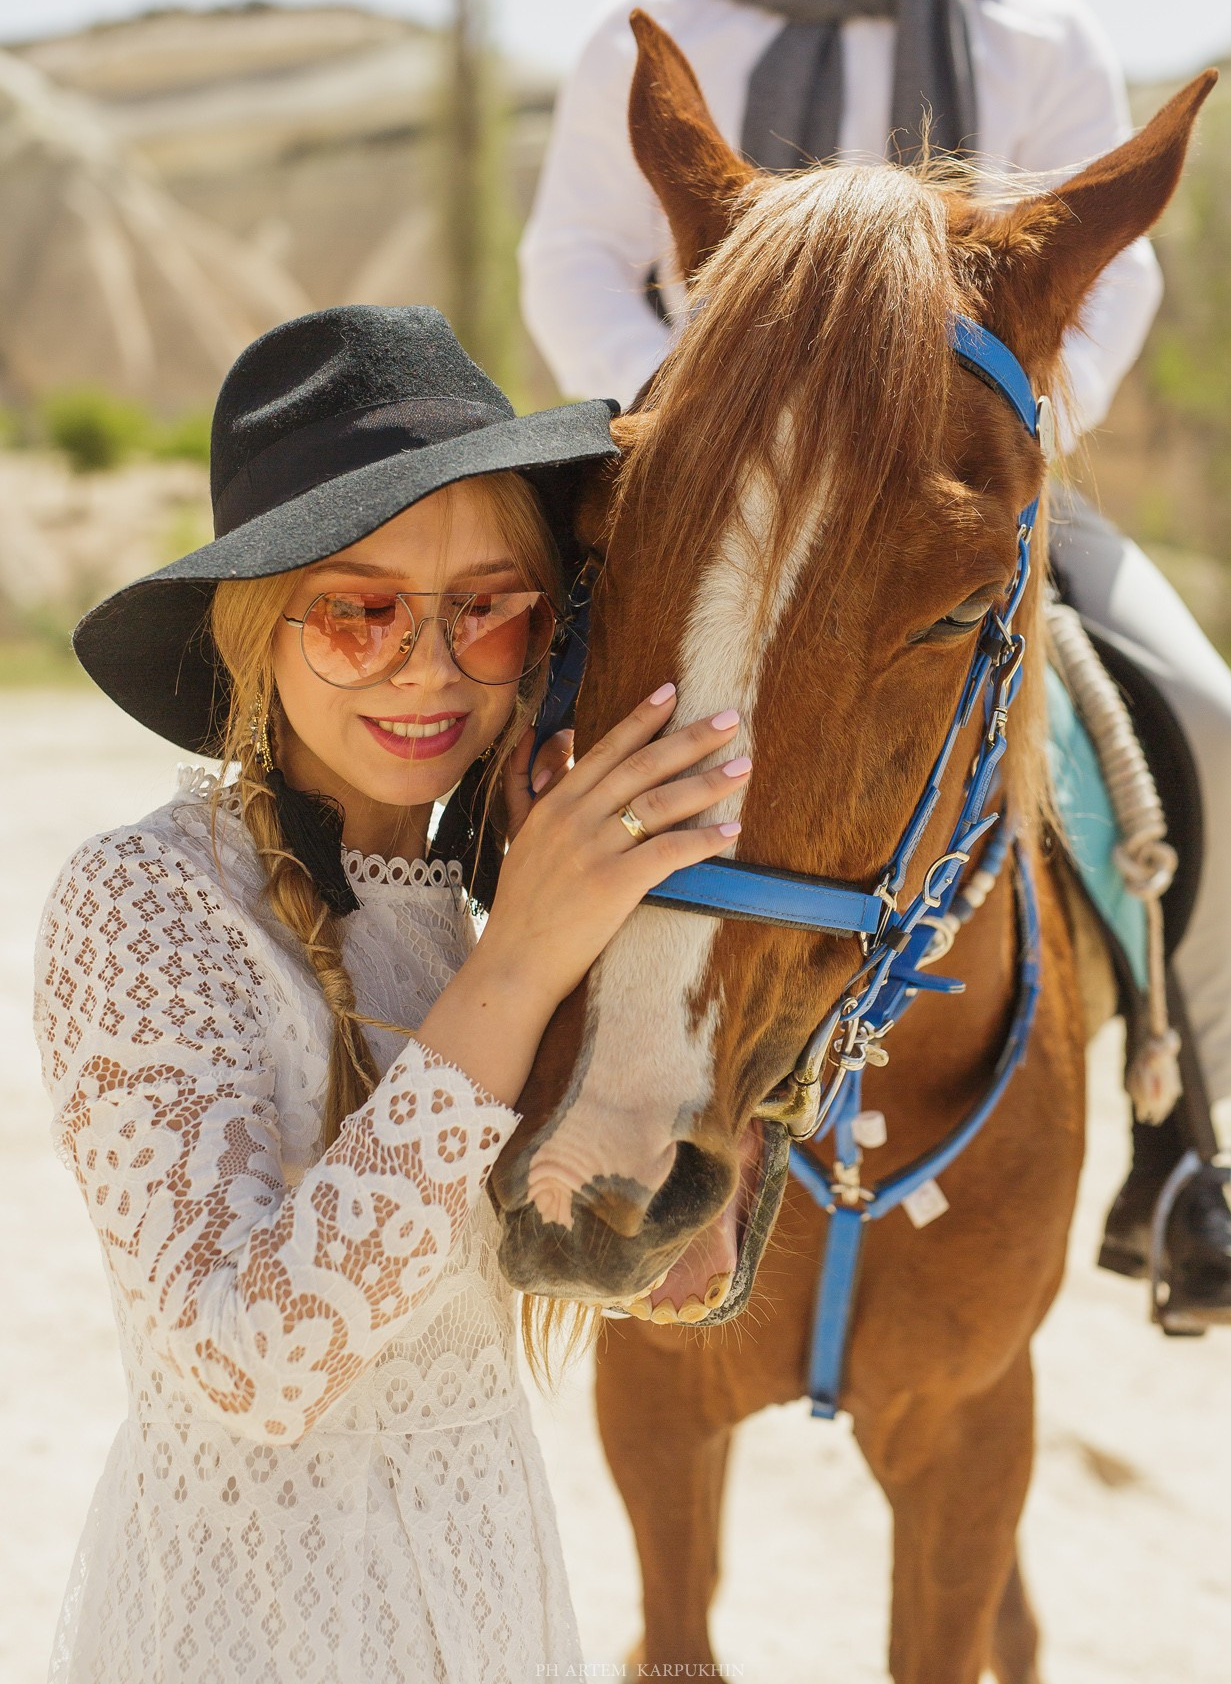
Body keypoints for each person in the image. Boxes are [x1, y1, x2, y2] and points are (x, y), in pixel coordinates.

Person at [519, 0, 1231, 1328]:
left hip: (960, 494)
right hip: (713, 500)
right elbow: (575, 255)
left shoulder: (1039, 33)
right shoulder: (654, 17)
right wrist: (695, 443)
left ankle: (1190, 1148)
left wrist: (1004, 464)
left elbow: (1099, 282)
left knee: (1221, 727)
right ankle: (458, 1038)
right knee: (494, 683)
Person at [33, 304, 751, 1683]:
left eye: (487, 608)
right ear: (255, 634)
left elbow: (658, 1275)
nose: (428, 664)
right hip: (244, 1632)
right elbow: (256, 1367)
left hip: (492, 1611)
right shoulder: (141, 905)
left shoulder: (486, 904)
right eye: (359, 613)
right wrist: (528, 956)